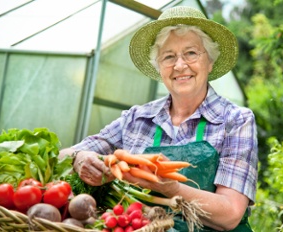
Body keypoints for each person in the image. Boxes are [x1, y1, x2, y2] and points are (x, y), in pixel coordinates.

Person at [59, 6, 258, 232]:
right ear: (159, 68)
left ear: (210, 62)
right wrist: (81, 157)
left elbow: (230, 214)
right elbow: (64, 156)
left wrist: (171, 188)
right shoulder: (137, 118)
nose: (180, 65)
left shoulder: (235, 120)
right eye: (169, 57)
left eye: (191, 53)